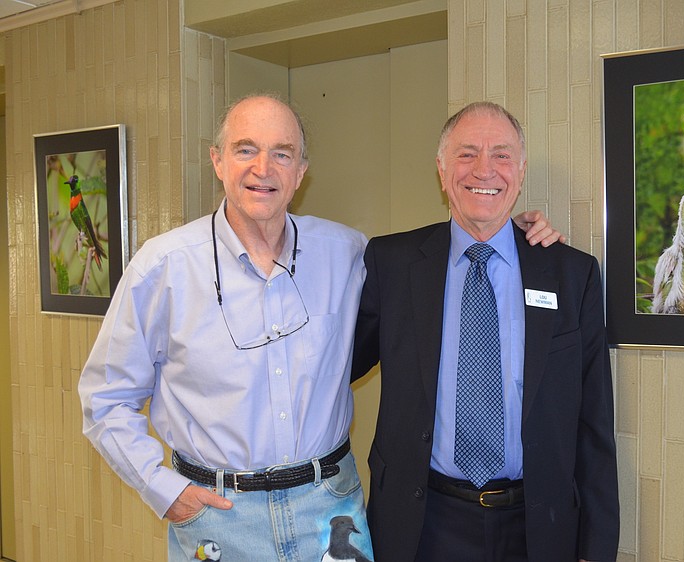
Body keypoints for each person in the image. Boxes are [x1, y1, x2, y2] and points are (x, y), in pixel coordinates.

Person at [78, 94, 564, 561]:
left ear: (301, 172)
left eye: (282, 154)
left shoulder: (348, 253)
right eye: (245, 149)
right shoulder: (162, 268)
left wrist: (511, 234)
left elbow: (442, 268)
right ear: (217, 160)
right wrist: (165, 490)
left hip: (330, 510)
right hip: (219, 517)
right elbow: (105, 399)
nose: (263, 168)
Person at [353, 101, 619, 561]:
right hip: (422, 526)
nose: (484, 169)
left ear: (520, 170)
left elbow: (594, 430)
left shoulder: (572, 275)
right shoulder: (391, 264)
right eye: (466, 154)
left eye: (500, 155)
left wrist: (596, 550)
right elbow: (334, 367)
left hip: (536, 528)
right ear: (441, 169)